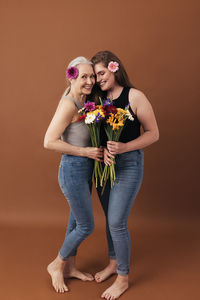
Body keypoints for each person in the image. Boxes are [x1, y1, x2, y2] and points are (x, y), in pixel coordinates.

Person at [91, 50, 159, 299]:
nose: (98, 79)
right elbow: (95, 132)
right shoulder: (98, 98)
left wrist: (125, 147)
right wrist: (102, 151)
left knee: (117, 222)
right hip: (105, 168)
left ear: (114, 68)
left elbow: (153, 133)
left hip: (129, 165)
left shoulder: (135, 96)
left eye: (102, 73)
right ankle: (112, 262)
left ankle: (123, 278)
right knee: (110, 217)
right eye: (96, 75)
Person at [44, 56, 103, 293]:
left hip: (84, 170)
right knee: (86, 225)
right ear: (72, 77)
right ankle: (57, 265)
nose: (90, 81)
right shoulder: (70, 104)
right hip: (72, 170)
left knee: (75, 221)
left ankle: (70, 267)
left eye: (91, 76)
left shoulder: (84, 99)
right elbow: (49, 141)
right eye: (84, 77)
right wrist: (85, 151)